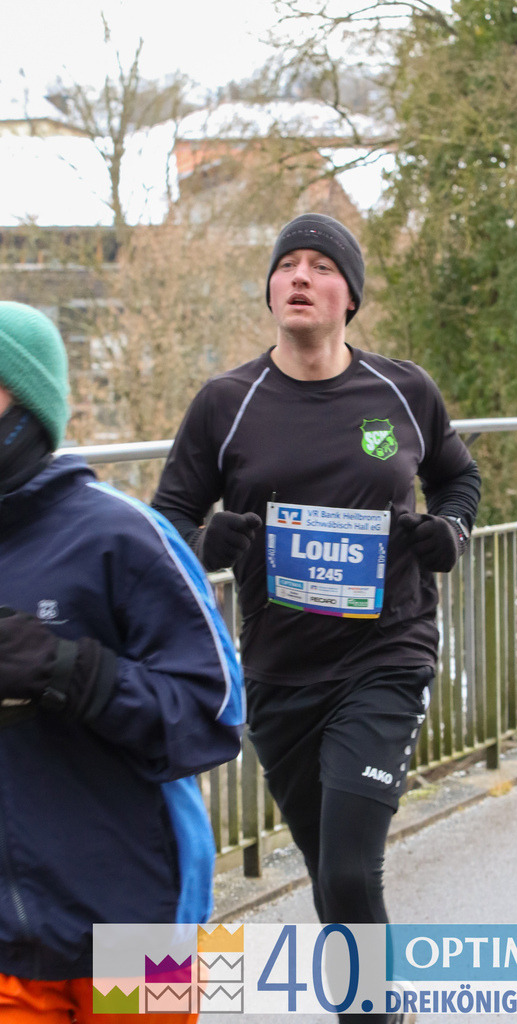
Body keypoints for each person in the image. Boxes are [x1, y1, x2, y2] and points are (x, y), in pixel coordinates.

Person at [153, 213, 481, 1024]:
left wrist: (448, 533)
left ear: (349, 295)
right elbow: (161, 528)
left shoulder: (403, 391)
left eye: (319, 265)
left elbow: (457, 478)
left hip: (386, 657)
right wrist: (206, 540)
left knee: (345, 871)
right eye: (286, 265)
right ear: (270, 289)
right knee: (326, 873)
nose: (298, 276)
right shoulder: (226, 403)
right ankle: (370, 1011)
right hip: (278, 674)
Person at [0, 301, 245, 1023]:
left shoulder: (121, 533)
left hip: (143, 925)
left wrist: (63, 670)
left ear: (27, 400)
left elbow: (214, 715)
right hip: (13, 943)